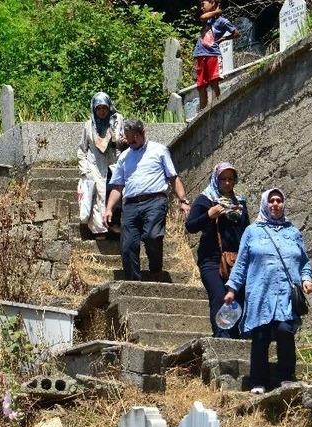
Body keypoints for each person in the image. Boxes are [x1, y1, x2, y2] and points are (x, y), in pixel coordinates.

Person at [223, 188, 312, 394]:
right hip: (260, 292)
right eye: (271, 201)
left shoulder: (293, 232)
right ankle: (258, 381)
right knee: (261, 334)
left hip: (285, 292)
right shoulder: (253, 231)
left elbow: (304, 263)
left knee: (284, 330)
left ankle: (286, 376)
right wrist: (231, 288)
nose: (275, 204)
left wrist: (307, 279)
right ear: (265, 204)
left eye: (279, 201)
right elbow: (241, 264)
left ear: (283, 204)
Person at [103, 119, 191, 281]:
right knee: (128, 245)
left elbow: (173, 178)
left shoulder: (159, 150)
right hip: (130, 205)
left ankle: (155, 270)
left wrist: (183, 200)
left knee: (152, 236)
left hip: (155, 201)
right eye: (129, 137)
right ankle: (133, 283)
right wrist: (109, 208)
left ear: (143, 133)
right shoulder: (124, 157)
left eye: (135, 136)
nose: (132, 140)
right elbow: (117, 187)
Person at [185, 162, 249, 338]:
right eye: (223, 179)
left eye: (230, 179)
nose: (227, 183)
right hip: (211, 259)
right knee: (219, 296)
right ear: (216, 179)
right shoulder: (206, 199)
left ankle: (235, 338)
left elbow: (246, 231)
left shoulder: (240, 202)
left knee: (237, 299)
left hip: (235, 260)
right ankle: (221, 338)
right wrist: (208, 215)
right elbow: (190, 226)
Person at [77, 92, 125, 238]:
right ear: (94, 109)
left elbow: (123, 140)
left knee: (115, 192)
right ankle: (99, 230)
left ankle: (115, 224)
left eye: (104, 108)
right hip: (94, 165)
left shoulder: (117, 121)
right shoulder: (88, 126)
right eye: (99, 109)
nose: (102, 111)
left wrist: (121, 142)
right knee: (98, 196)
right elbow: (81, 149)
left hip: (113, 163)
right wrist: (84, 169)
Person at [194, 0, 238, 111]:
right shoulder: (207, 19)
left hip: (212, 54)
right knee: (201, 85)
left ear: (212, 3)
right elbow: (203, 17)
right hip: (200, 54)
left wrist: (224, 38)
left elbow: (236, 33)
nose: (201, 7)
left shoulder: (222, 21)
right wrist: (217, 11)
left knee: (214, 82)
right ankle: (202, 112)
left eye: (203, 4)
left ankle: (215, 109)